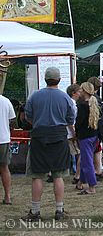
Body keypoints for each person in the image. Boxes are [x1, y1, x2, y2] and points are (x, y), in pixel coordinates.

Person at [22, 67, 75, 221]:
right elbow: (70, 119)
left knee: (37, 175)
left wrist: (39, 123)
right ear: (59, 80)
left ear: (45, 79)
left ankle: (35, 211)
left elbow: (28, 117)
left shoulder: (35, 96)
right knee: (58, 175)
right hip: (59, 137)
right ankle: (59, 210)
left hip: (39, 137)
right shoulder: (65, 98)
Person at [75, 82, 100, 195]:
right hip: (94, 135)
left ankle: (92, 186)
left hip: (84, 136)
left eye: (81, 90)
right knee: (86, 158)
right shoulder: (94, 103)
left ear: (84, 91)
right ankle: (81, 182)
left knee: (87, 161)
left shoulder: (82, 106)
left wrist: (75, 134)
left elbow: (79, 123)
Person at [86, 77, 103, 181]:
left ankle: (96, 171)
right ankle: (95, 171)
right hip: (95, 128)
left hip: (90, 128)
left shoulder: (88, 99)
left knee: (94, 150)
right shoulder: (96, 99)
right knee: (94, 150)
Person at [0, 93, 16, 205]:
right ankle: (7, 196)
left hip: (4, 138)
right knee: (4, 168)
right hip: (3, 139)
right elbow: (12, 120)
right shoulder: (6, 101)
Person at [66, 84, 82, 185]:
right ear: (74, 93)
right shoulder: (72, 105)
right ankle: (77, 175)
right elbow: (70, 121)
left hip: (66, 132)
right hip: (70, 133)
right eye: (79, 91)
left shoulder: (69, 103)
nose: (80, 93)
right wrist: (74, 133)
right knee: (80, 153)